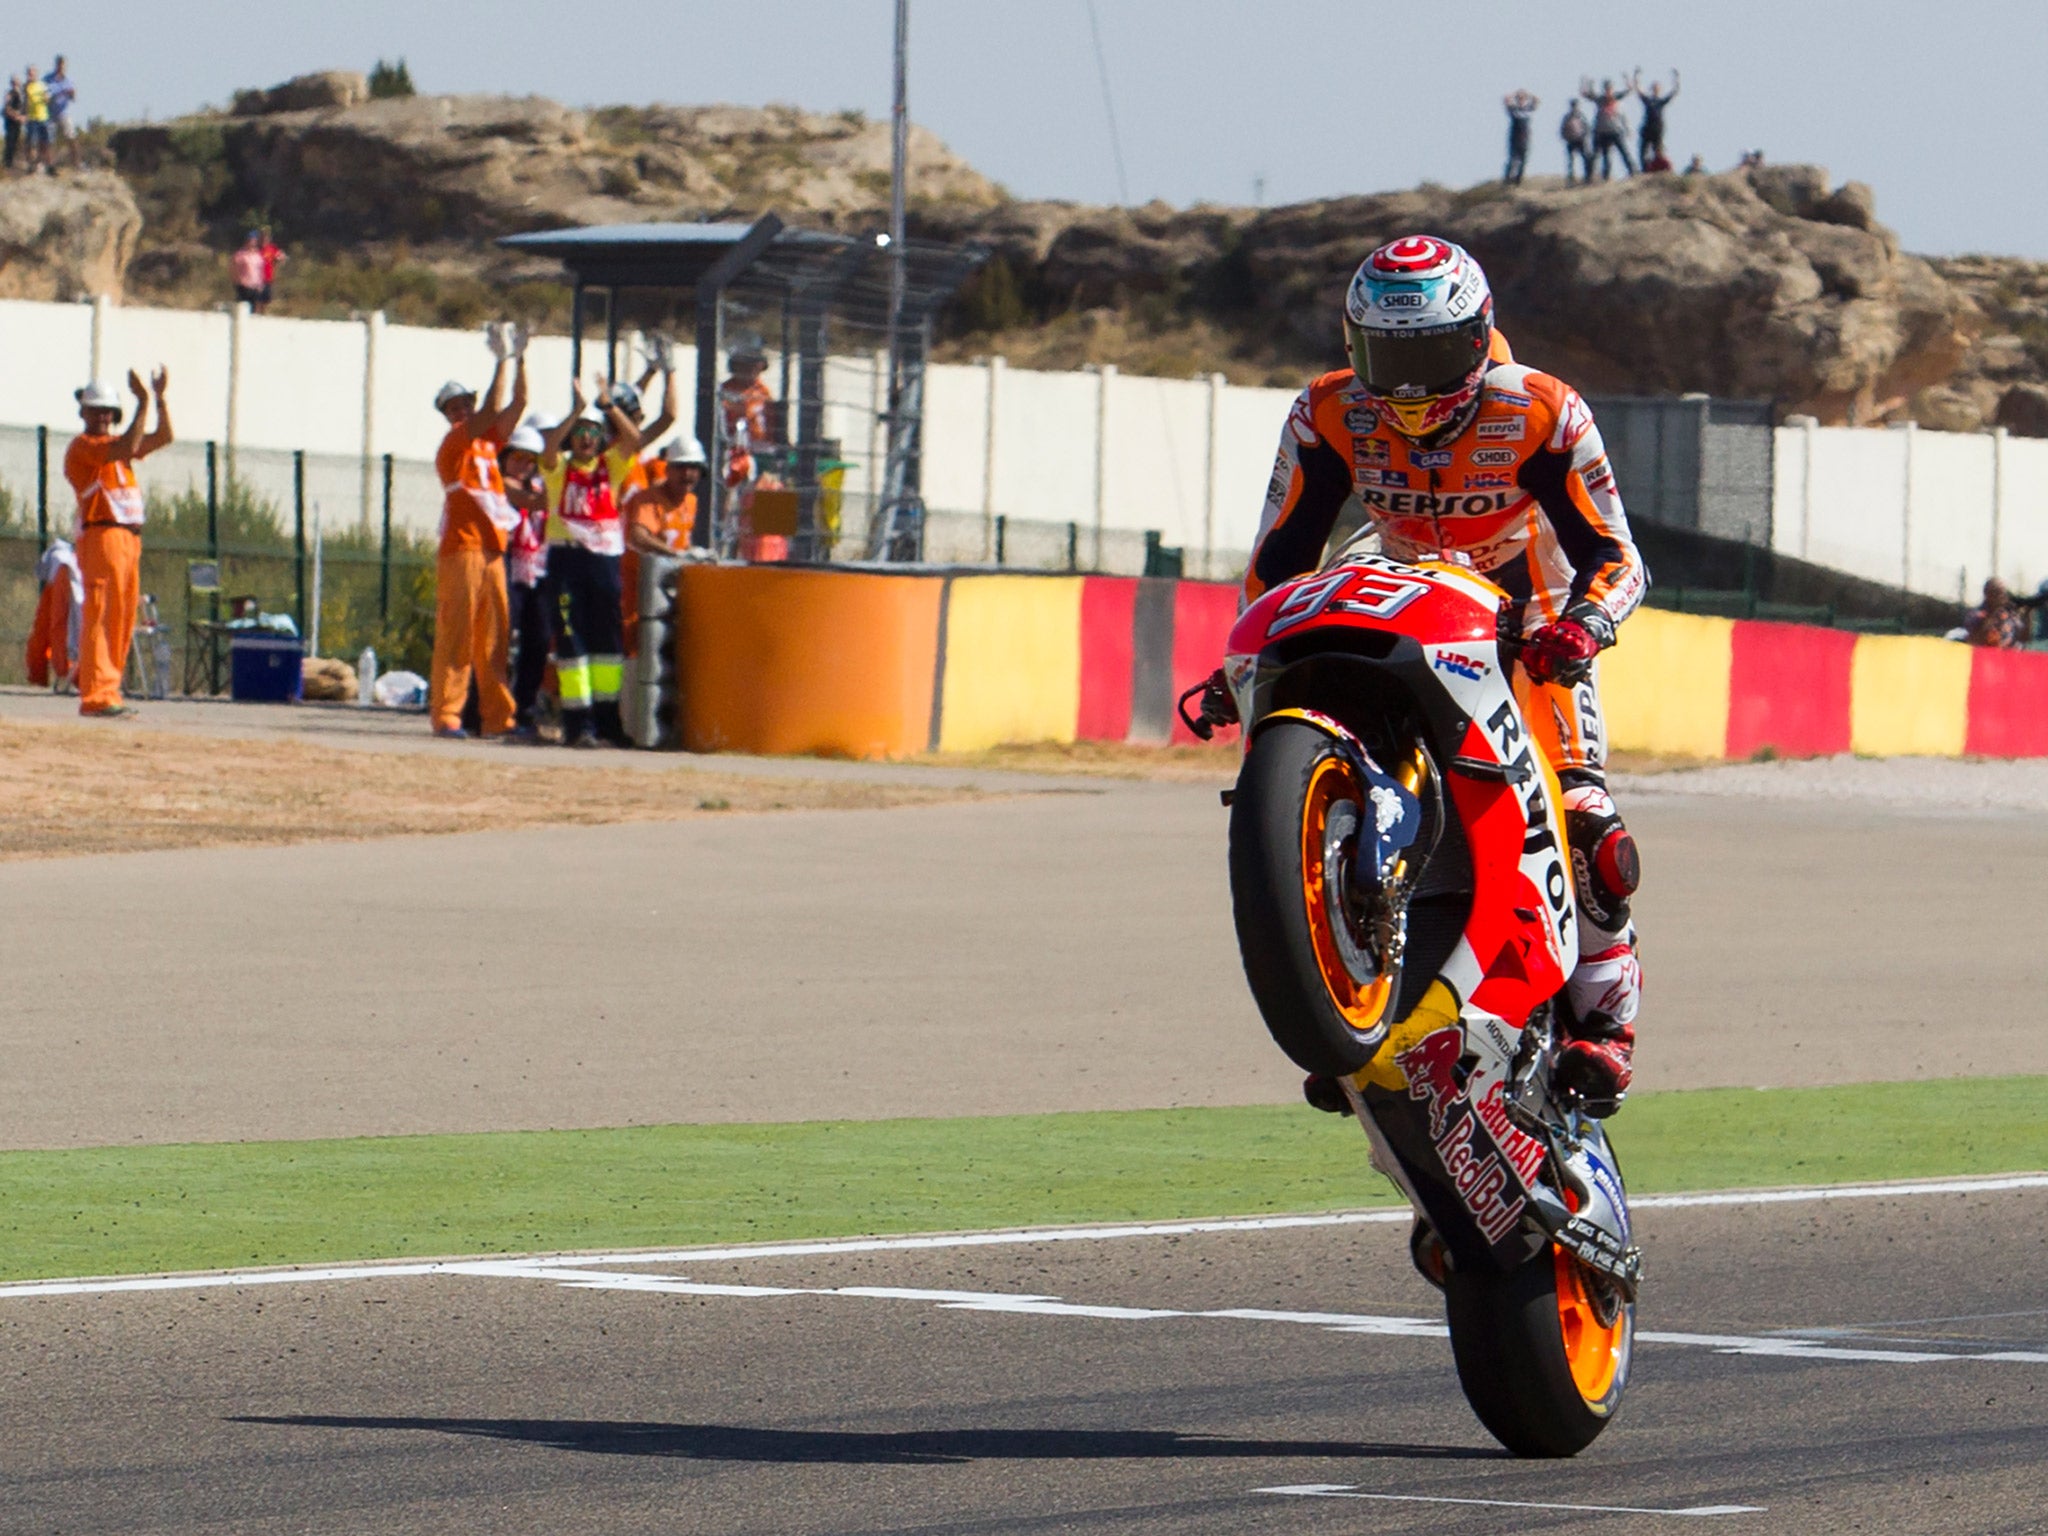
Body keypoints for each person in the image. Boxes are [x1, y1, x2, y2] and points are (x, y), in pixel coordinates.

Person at [1240, 235, 1647, 1114]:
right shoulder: (1327, 411)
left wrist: (1583, 627)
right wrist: (1243, 656)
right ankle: (1352, 1002)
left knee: (1585, 826)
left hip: (1528, 631)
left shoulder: (1543, 411)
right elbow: (1278, 558)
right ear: (1354, 348)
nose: (1411, 385)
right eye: (1390, 357)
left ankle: (1605, 1026)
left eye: (1431, 355)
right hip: (1396, 610)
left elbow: (1618, 557)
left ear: (1478, 337)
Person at [427, 322, 528, 740]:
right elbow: (493, 407)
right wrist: (501, 361)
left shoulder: (488, 445)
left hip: (491, 549)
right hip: (463, 547)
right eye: (454, 408)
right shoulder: (455, 443)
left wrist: (520, 359)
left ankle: (497, 717)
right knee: (458, 631)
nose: (461, 412)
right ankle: (448, 713)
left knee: (495, 636)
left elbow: (516, 404)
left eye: (464, 404)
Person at [539, 381, 646, 747]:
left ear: (601, 440)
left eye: (593, 433)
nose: (586, 439)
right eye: (580, 433)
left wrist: (609, 407)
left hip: (603, 560)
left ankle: (607, 722)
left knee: (607, 641)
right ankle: (577, 723)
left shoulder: (611, 467)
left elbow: (634, 440)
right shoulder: (558, 469)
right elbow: (549, 447)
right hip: (566, 558)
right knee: (570, 637)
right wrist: (575, 411)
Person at [64, 369, 173, 717]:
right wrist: (142, 402)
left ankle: (106, 687)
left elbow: (164, 437)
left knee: (123, 616)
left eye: (109, 410)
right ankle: (95, 695)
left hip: (128, 538)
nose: (103, 416)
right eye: (96, 410)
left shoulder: (119, 452)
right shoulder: (85, 448)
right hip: (101, 535)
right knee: (100, 613)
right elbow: (126, 444)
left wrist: (159, 399)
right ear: (82, 412)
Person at [621, 436, 705, 659]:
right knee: (636, 647)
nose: (687, 474)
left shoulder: (691, 502)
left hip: (669, 586)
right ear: (668, 469)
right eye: (681, 467)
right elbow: (638, 536)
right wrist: (676, 555)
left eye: (693, 468)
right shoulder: (648, 499)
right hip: (638, 589)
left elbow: (681, 539)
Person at [500, 422, 552, 739]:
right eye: (518, 457)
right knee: (500, 641)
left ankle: (525, 709)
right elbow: (532, 503)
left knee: (538, 641)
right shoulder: (502, 484)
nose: (524, 465)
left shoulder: (540, 484)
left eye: (530, 460)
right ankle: (487, 708)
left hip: (539, 570)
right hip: (509, 565)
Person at [25, 537, 83, 689]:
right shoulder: (64, 563)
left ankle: (48, 671)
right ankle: (63, 670)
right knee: (54, 624)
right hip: (65, 580)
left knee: (49, 626)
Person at [1581, 77, 1636, 180]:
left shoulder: (1617, 99)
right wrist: (1587, 84)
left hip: (1615, 131)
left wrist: (1628, 130)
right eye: (1606, 88)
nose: (1608, 91)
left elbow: (1629, 91)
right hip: (1601, 132)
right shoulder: (1600, 100)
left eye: (1610, 88)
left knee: (1624, 152)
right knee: (1601, 155)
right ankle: (1597, 176)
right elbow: (1585, 94)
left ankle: (1633, 172)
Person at [1962, 578, 2037, 650]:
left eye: (2003, 592)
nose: (2001, 596)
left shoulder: (2010, 614)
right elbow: (1975, 639)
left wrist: (2028, 614)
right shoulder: (1976, 615)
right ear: (1987, 593)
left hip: (2008, 659)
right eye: (1996, 592)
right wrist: (1992, 612)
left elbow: (2024, 638)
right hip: (1986, 659)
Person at [1632, 68, 1678, 174]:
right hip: (1647, 128)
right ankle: (1645, 171)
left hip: (1658, 129)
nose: (1655, 89)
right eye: (1654, 88)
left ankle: (1659, 171)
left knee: (1658, 152)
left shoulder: (1661, 101)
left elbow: (1674, 92)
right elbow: (1638, 90)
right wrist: (1636, 76)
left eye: (1657, 88)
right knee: (1643, 152)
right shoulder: (1648, 100)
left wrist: (1676, 78)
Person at [1502, 90, 1537, 186]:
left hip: (1525, 140)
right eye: (1519, 98)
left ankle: (1518, 181)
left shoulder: (1528, 109)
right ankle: (1508, 180)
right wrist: (1515, 95)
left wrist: (1528, 94)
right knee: (1512, 160)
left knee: (1523, 161)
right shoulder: (1513, 109)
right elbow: (1506, 99)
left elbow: (1537, 100)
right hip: (1514, 139)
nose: (1521, 100)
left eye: (1523, 98)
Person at [20, 65, 51, 175]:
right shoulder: (26, 87)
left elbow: (47, 98)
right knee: (31, 142)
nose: (30, 75)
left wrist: (46, 98)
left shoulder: (42, 85)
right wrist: (23, 115)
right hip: (32, 118)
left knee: (44, 143)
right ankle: (31, 164)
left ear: (36, 74)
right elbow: (24, 102)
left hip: (43, 117)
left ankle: (43, 164)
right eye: (29, 73)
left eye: (32, 73)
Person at [45, 56, 73, 166]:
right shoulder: (48, 79)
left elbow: (73, 97)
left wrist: (71, 94)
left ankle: (76, 163)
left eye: (63, 65)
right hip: (50, 113)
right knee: (49, 139)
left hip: (63, 113)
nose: (61, 67)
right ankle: (49, 164)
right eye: (59, 64)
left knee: (70, 137)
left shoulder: (68, 81)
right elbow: (44, 94)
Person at [231, 232, 268, 309]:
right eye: (250, 241)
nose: (252, 243)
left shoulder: (258, 255)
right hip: (244, 285)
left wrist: (261, 284)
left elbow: (260, 270)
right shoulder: (240, 255)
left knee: (253, 307)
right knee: (242, 307)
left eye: (254, 241)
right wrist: (237, 281)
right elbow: (234, 268)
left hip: (255, 286)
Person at [1558, 100, 1592, 185]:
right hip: (1571, 141)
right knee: (1571, 161)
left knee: (1585, 159)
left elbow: (1587, 127)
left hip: (1581, 140)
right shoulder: (1566, 117)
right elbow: (1562, 129)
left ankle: (1587, 178)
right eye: (1573, 105)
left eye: (1576, 105)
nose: (1575, 107)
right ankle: (1571, 179)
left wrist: (1585, 136)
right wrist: (1565, 137)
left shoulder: (1581, 116)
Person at [256, 226, 287, 309]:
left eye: (266, 238)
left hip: (268, 278)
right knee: (256, 300)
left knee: (266, 300)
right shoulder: (256, 249)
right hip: (256, 279)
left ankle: (263, 316)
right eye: (262, 238)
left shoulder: (272, 249)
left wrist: (278, 263)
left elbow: (282, 257)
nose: (264, 240)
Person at [4, 77, 25, 173]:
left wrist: (23, 117)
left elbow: (24, 107)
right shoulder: (9, 94)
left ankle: (15, 163)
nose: (15, 85)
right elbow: (7, 108)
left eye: (17, 83)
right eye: (14, 83)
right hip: (11, 122)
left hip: (19, 122)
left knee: (17, 142)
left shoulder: (22, 94)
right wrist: (16, 116)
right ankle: (7, 164)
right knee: (10, 142)